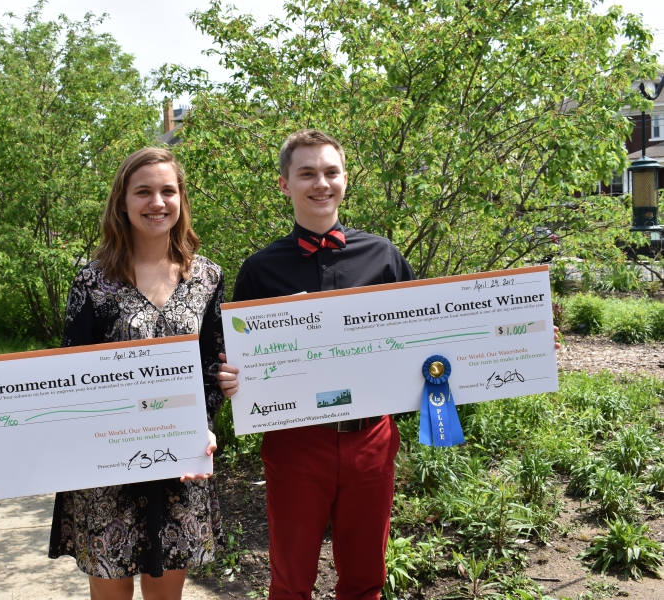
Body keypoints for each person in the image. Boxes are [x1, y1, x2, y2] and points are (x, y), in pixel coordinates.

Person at [217, 129, 560, 600]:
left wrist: (525, 338)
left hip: (371, 441)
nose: (321, 183)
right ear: (284, 184)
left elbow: (430, 339)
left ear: (345, 180)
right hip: (296, 444)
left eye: (331, 172)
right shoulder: (259, 269)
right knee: (290, 583)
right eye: (307, 173)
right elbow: (242, 358)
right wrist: (233, 378)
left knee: (365, 580)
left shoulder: (383, 255)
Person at [0, 147, 226, 600]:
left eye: (167, 190)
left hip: (179, 466)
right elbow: (65, 385)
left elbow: (212, 367)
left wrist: (201, 429)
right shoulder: (94, 282)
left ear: (182, 199)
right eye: (143, 191)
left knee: (167, 598)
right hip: (106, 472)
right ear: (122, 202)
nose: (156, 202)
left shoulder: (207, 277)